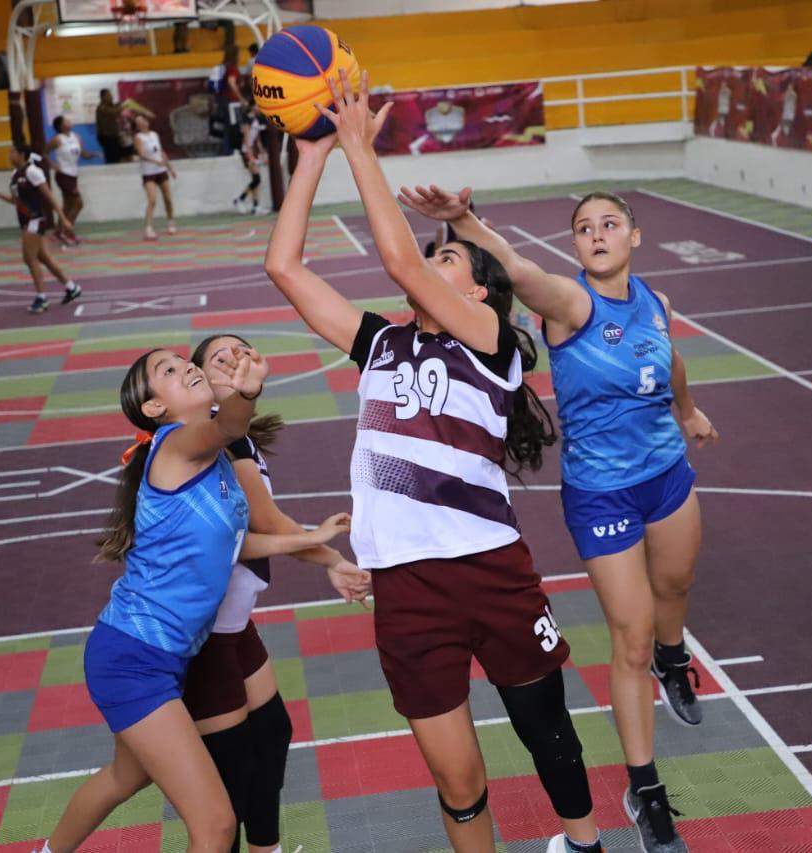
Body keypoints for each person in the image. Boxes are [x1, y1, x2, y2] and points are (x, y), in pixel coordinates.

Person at [266, 70, 606, 853]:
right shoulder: (381, 342)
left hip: (490, 566)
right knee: (458, 780)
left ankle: (586, 844)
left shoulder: (489, 348)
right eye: (436, 253)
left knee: (543, 727)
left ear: (482, 296)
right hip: (405, 584)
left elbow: (399, 265)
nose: (433, 259)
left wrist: (362, 149)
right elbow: (285, 268)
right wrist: (315, 150)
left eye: (450, 259)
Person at [400, 195, 720, 853]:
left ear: (635, 234)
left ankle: (674, 652)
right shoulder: (571, 304)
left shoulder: (653, 302)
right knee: (627, 639)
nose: (597, 236)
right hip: (602, 495)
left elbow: (671, 359)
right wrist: (461, 220)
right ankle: (647, 790)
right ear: (574, 246)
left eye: (609, 225)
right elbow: (514, 268)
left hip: (667, 474)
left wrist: (687, 411)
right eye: (584, 229)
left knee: (676, 587)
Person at [32, 344, 360, 853]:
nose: (185, 366)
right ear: (153, 408)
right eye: (168, 370)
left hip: (164, 658)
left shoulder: (214, 464)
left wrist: (308, 540)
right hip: (132, 658)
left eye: (183, 362)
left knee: (126, 776)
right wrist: (247, 391)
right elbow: (226, 427)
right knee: (216, 826)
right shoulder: (177, 446)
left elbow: (234, 543)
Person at [0, 144, 83, 313]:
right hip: (25, 221)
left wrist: (63, 218)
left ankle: (41, 298)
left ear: (21, 154)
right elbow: (14, 200)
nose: (9, 155)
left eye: (12, 152)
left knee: (29, 259)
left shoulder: (33, 171)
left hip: (35, 220)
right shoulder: (15, 175)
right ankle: (71, 287)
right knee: (43, 258)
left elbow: (49, 196)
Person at [48, 115, 100, 246]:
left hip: (73, 175)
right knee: (78, 204)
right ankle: (68, 232)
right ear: (60, 126)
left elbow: (83, 154)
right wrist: (53, 165)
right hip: (63, 175)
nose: (69, 122)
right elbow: (43, 153)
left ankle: (58, 232)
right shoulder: (57, 139)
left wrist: (93, 154)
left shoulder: (76, 137)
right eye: (66, 121)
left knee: (67, 206)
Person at [134, 114, 177, 240]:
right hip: (148, 173)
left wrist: (170, 168)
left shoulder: (154, 134)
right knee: (152, 200)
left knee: (168, 198)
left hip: (161, 171)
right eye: (139, 122)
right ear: (137, 126)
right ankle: (148, 229)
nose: (142, 123)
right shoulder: (138, 137)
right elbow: (141, 155)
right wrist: (155, 161)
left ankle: (171, 222)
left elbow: (161, 152)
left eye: (143, 120)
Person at [232, 104, 267, 215]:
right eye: (258, 106)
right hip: (246, 151)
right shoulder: (247, 119)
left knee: (256, 180)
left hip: (253, 151)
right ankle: (239, 199)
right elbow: (246, 139)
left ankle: (256, 206)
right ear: (253, 106)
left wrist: (263, 153)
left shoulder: (257, 120)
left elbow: (257, 140)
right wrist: (250, 156)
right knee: (257, 179)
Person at [95, 90, 127, 164]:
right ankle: (112, 173)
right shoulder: (101, 108)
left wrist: (121, 104)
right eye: (108, 95)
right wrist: (123, 106)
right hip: (106, 136)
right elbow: (113, 112)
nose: (111, 96)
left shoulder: (110, 105)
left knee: (118, 156)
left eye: (111, 94)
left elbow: (116, 108)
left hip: (113, 135)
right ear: (102, 97)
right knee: (112, 158)